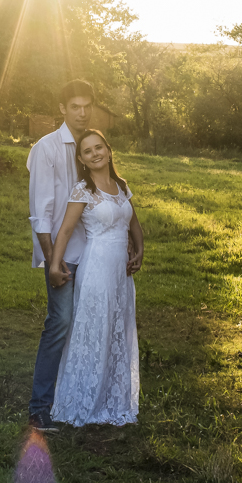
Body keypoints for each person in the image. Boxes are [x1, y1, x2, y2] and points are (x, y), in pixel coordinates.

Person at [46, 129, 144, 427]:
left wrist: (140, 250)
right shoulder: (82, 190)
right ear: (82, 159)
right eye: (88, 151)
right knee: (95, 329)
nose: (95, 153)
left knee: (118, 327)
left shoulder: (121, 185)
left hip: (120, 272)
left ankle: (111, 398)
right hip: (97, 267)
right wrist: (53, 264)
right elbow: (64, 230)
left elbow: (133, 222)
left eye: (99, 147)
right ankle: (84, 399)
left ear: (109, 150)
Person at [25, 81, 97, 432]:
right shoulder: (47, 148)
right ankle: (39, 408)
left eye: (86, 106)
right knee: (60, 323)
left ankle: (74, 400)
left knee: (84, 328)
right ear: (62, 108)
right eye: (75, 106)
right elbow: (41, 212)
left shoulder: (90, 147)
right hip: (62, 254)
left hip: (93, 250)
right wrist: (53, 261)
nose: (82, 112)